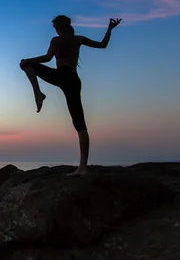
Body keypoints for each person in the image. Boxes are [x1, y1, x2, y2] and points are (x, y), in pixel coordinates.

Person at [19, 15, 122, 176]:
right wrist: (109, 30)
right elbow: (102, 45)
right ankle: (83, 167)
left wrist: (26, 60)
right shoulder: (78, 39)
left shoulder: (56, 40)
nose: (54, 29)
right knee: (80, 123)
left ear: (59, 27)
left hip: (61, 76)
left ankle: (38, 93)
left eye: (54, 26)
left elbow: (47, 58)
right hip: (73, 79)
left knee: (27, 65)